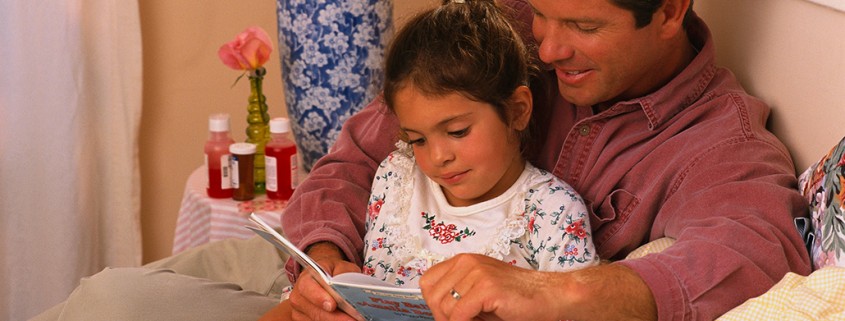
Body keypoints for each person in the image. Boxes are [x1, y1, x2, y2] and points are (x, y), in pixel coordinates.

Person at [275, 0, 812, 320]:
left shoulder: (718, 142)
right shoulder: (494, 37)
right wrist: (324, 266)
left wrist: (547, 291)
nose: (547, 50)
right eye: (540, 13)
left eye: (583, 26)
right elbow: (351, 162)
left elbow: (755, 253)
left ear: (669, 10)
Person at [266, 1, 599, 318]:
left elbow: (580, 313)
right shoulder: (397, 179)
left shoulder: (553, 212)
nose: (438, 157)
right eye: (418, 140)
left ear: (517, 111)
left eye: (457, 131)